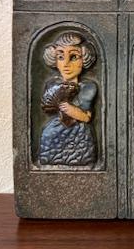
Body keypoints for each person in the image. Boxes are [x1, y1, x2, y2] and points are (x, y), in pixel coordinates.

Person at [38, 32, 98, 166]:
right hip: (55, 130)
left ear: (84, 60)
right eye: (60, 57)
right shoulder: (52, 84)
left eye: (74, 57)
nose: (66, 64)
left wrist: (72, 110)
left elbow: (87, 117)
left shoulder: (88, 87)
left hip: (78, 132)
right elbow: (47, 107)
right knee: (49, 147)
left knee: (79, 157)